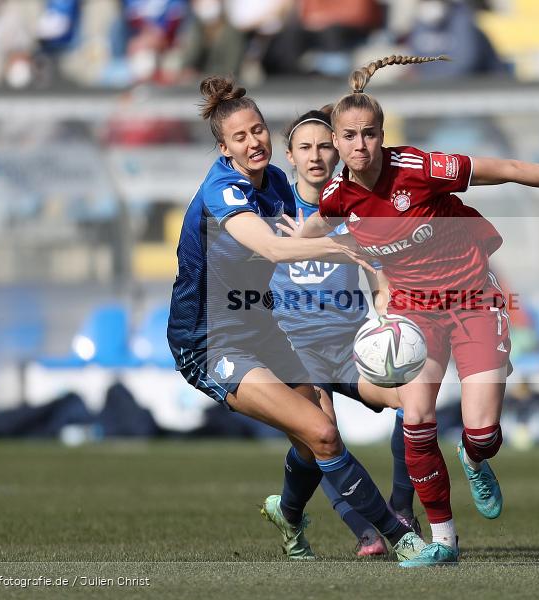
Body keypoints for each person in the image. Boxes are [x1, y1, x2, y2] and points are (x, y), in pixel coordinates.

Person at [292, 54, 539, 566]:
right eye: (351, 136)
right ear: (337, 142)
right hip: (413, 315)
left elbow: (508, 169)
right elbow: (315, 227)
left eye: (371, 133)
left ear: (383, 133)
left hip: (473, 301)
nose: (361, 145)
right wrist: (295, 239)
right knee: (418, 418)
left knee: (482, 432)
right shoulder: (338, 197)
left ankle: (474, 456)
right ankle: (443, 541)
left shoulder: (422, 169)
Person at [166, 76, 426, 562]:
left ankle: (287, 515)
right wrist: (342, 248)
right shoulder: (222, 191)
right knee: (323, 432)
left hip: (259, 327)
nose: (253, 141)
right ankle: (401, 537)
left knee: (312, 436)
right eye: (240, 137)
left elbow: (303, 231)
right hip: (210, 342)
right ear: (224, 148)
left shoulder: (278, 183)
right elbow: (270, 248)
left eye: (258, 130)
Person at [269, 107, 419, 557]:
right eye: (304, 148)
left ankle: (400, 507)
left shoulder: (358, 208)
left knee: (416, 403)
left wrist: (385, 318)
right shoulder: (267, 209)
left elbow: (380, 282)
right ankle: (366, 531)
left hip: (350, 345)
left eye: (324, 145)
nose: (316, 156)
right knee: (322, 433)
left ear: (339, 149)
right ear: (290, 157)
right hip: (295, 347)